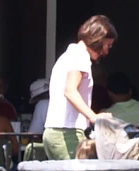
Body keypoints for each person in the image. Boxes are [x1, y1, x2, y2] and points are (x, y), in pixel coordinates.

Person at [43, 15, 117, 159]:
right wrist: (93, 117)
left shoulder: (69, 55)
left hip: (54, 131)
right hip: (67, 132)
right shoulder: (80, 56)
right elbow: (70, 90)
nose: (107, 52)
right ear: (99, 39)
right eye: (108, 45)